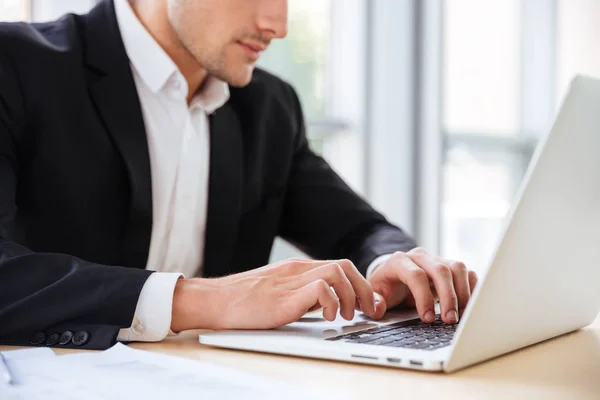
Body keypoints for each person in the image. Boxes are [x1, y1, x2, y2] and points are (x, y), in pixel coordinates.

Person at [0, 0, 477, 350]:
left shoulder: (269, 106)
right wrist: (208, 300)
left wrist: (392, 264)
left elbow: (360, 229)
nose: (279, 24)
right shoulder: (16, 65)